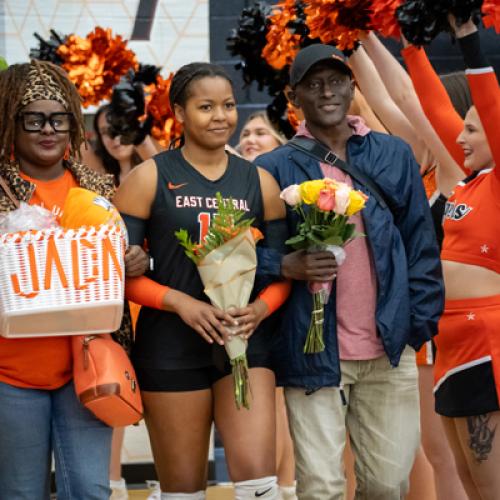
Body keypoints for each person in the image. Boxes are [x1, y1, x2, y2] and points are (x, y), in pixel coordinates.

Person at [256, 44, 444, 500]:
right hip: (312, 346)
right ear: (294, 94)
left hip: (388, 346)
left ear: (352, 85)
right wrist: (284, 264)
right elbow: (246, 254)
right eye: (314, 83)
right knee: (321, 486)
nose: (327, 92)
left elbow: (420, 244)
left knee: (387, 484)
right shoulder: (273, 166)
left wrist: (416, 324)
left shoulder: (392, 155)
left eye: (336, 80)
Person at [113, 62, 290, 500]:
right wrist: (181, 303)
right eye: (205, 106)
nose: (221, 117)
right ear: (178, 112)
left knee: (258, 485)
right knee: (183, 488)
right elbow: (121, 277)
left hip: (244, 342)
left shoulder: (261, 182)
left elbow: (285, 271)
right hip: (170, 344)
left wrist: (260, 309)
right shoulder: (147, 178)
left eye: (228, 105)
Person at [0, 60, 144, 500]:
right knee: (21, 493)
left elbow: (116, 267)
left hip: (87, 370)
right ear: (10, 123)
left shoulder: (99, 188)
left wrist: (133, 262)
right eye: (34, 119)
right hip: (11, 374)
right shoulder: (0, 192)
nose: (48, 130)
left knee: (90, 490)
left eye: (59, 119)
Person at [349, 33, 469, 500]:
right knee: (441, 457)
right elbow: (379, 97)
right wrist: (349, 34)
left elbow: (403, 94)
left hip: (463, 326)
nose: (410, 116)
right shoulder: (420, 164)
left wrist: (367, 35)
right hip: (430, 327)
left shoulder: (458, 169)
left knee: (460, 461)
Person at [404, 18, 500, 499]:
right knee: (465, 481)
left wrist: (469, 43)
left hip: (488, 344)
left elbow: (489, 105)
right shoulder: (469, 177)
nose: (459, 137)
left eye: (472, 129)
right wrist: (410, 46)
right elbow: (433, 105)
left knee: (491, 485)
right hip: (448, 342)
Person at [238, 110, 297, 500]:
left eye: (261, 132)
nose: (249, 139)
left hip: (278, 308)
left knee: (279, 406)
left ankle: (288, 489)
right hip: (237, 310)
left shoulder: (287, 190)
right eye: (245, 133)